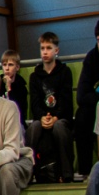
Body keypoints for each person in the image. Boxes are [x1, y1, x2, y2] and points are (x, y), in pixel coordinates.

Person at [26, 32, 76, 183]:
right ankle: (27, 172)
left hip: (60, 118)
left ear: (56, 50)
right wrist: (42, 117)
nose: (45, 52)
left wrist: (55, 117)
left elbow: (66, 101)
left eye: (48, 48)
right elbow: (34, 103)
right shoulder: (35, 76)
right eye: (42, 48)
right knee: (33, 128)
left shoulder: (65, 72)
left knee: (59, 127)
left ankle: (67, 173)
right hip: (42, 118)